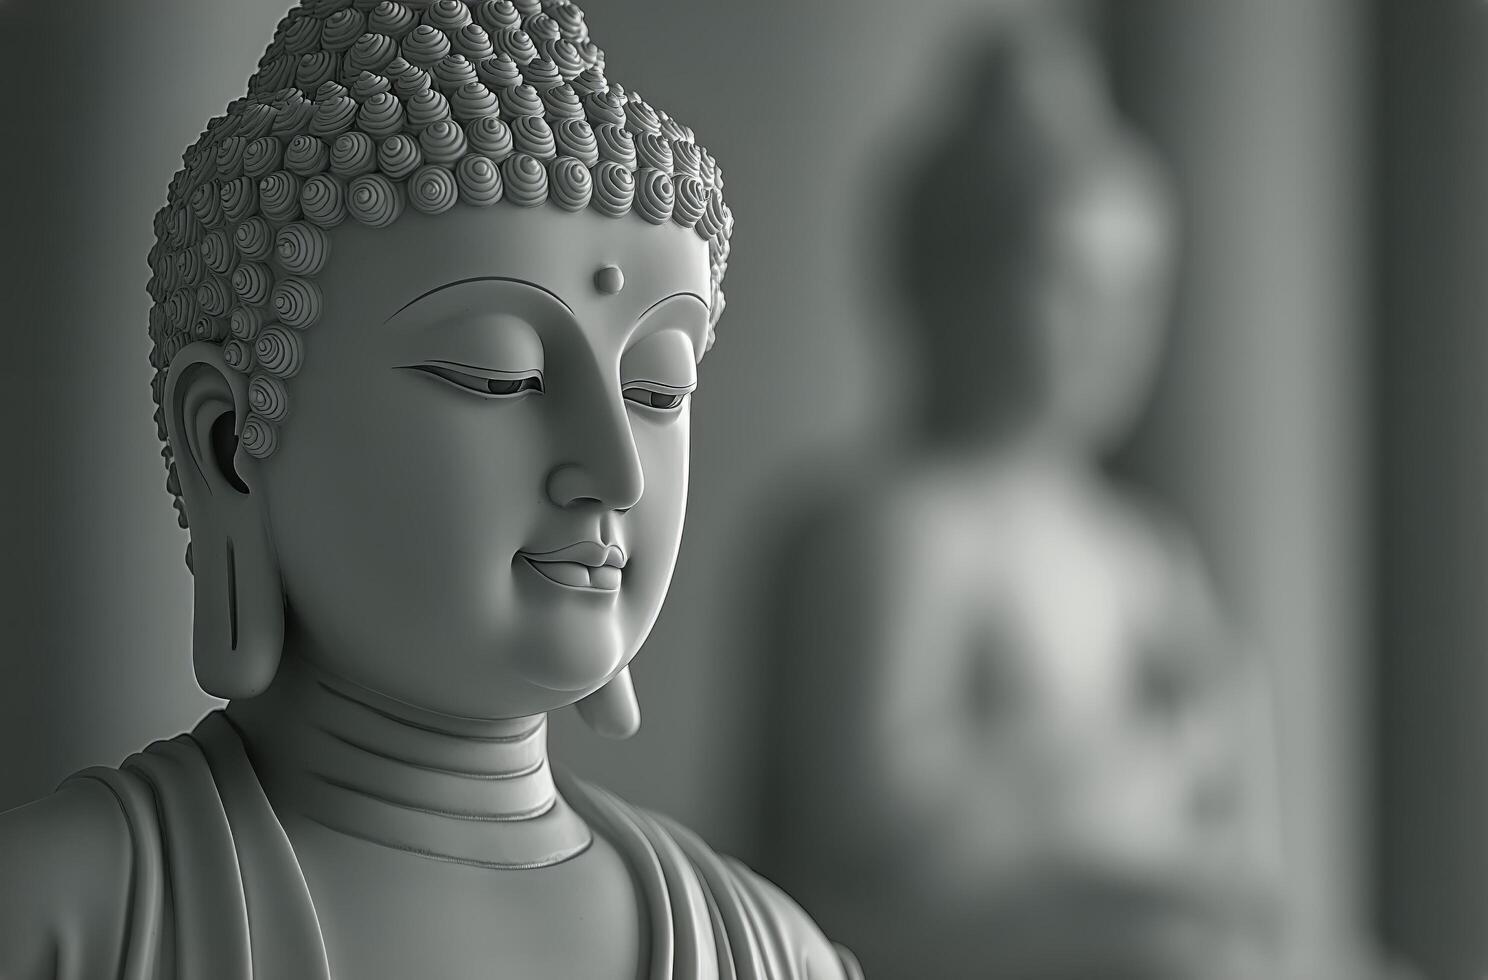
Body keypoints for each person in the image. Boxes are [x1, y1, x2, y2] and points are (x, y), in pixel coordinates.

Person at [0, 2, 859, 977]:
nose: (614, 467)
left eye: (657, 389)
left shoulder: (772, 950)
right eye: (498, 374)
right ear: (231, 442)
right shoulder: (61, 917)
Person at [759, 14, 1279, 979]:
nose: (1109, 330)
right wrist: (1131, 778)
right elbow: (866, 829)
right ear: (939, 284)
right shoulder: (889, 529)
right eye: (1067, 285)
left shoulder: (1144, 552)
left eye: (1136, 292)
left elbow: (1234, 824)